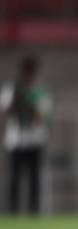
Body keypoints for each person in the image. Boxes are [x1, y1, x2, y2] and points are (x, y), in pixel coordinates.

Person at [1, 55, 52, 214]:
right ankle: (13, 211)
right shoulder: (12, 89)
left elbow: (42, 116)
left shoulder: (39, 90)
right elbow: (5, 111)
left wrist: (29, 105)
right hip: (16, 140)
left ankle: (33, 211)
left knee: (34, 178)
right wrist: (16, 103)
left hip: (35, 140)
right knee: (15, 178)